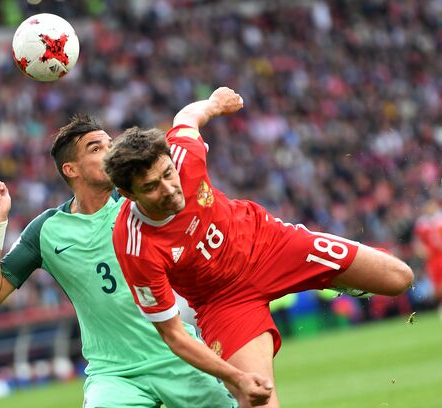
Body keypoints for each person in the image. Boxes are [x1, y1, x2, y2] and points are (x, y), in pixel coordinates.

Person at [103, 87, 415, 407]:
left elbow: (187, 116)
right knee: (258, 400)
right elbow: (174, 335)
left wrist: (214, 103)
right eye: (151, 187)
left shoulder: (184, 153)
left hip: (269, 243)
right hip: (225, 303)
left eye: (168, 174)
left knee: (399, 279)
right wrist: (237, 378)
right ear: (129, 195)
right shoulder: (135, 246)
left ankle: (335, 278)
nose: (169, 189)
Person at [0, 114, 237, 407]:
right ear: (71, 169)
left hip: (177, 353)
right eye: (96, 148)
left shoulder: (140, 201)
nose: (110, 152)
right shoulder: (46, 231)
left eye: (110, 144)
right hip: (114, 375)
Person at [414, 199, 442, 317]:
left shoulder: (440, 219)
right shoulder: (422, 224)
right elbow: (417, 243)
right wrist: (421, 251)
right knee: (436, 288)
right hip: (432, 260)